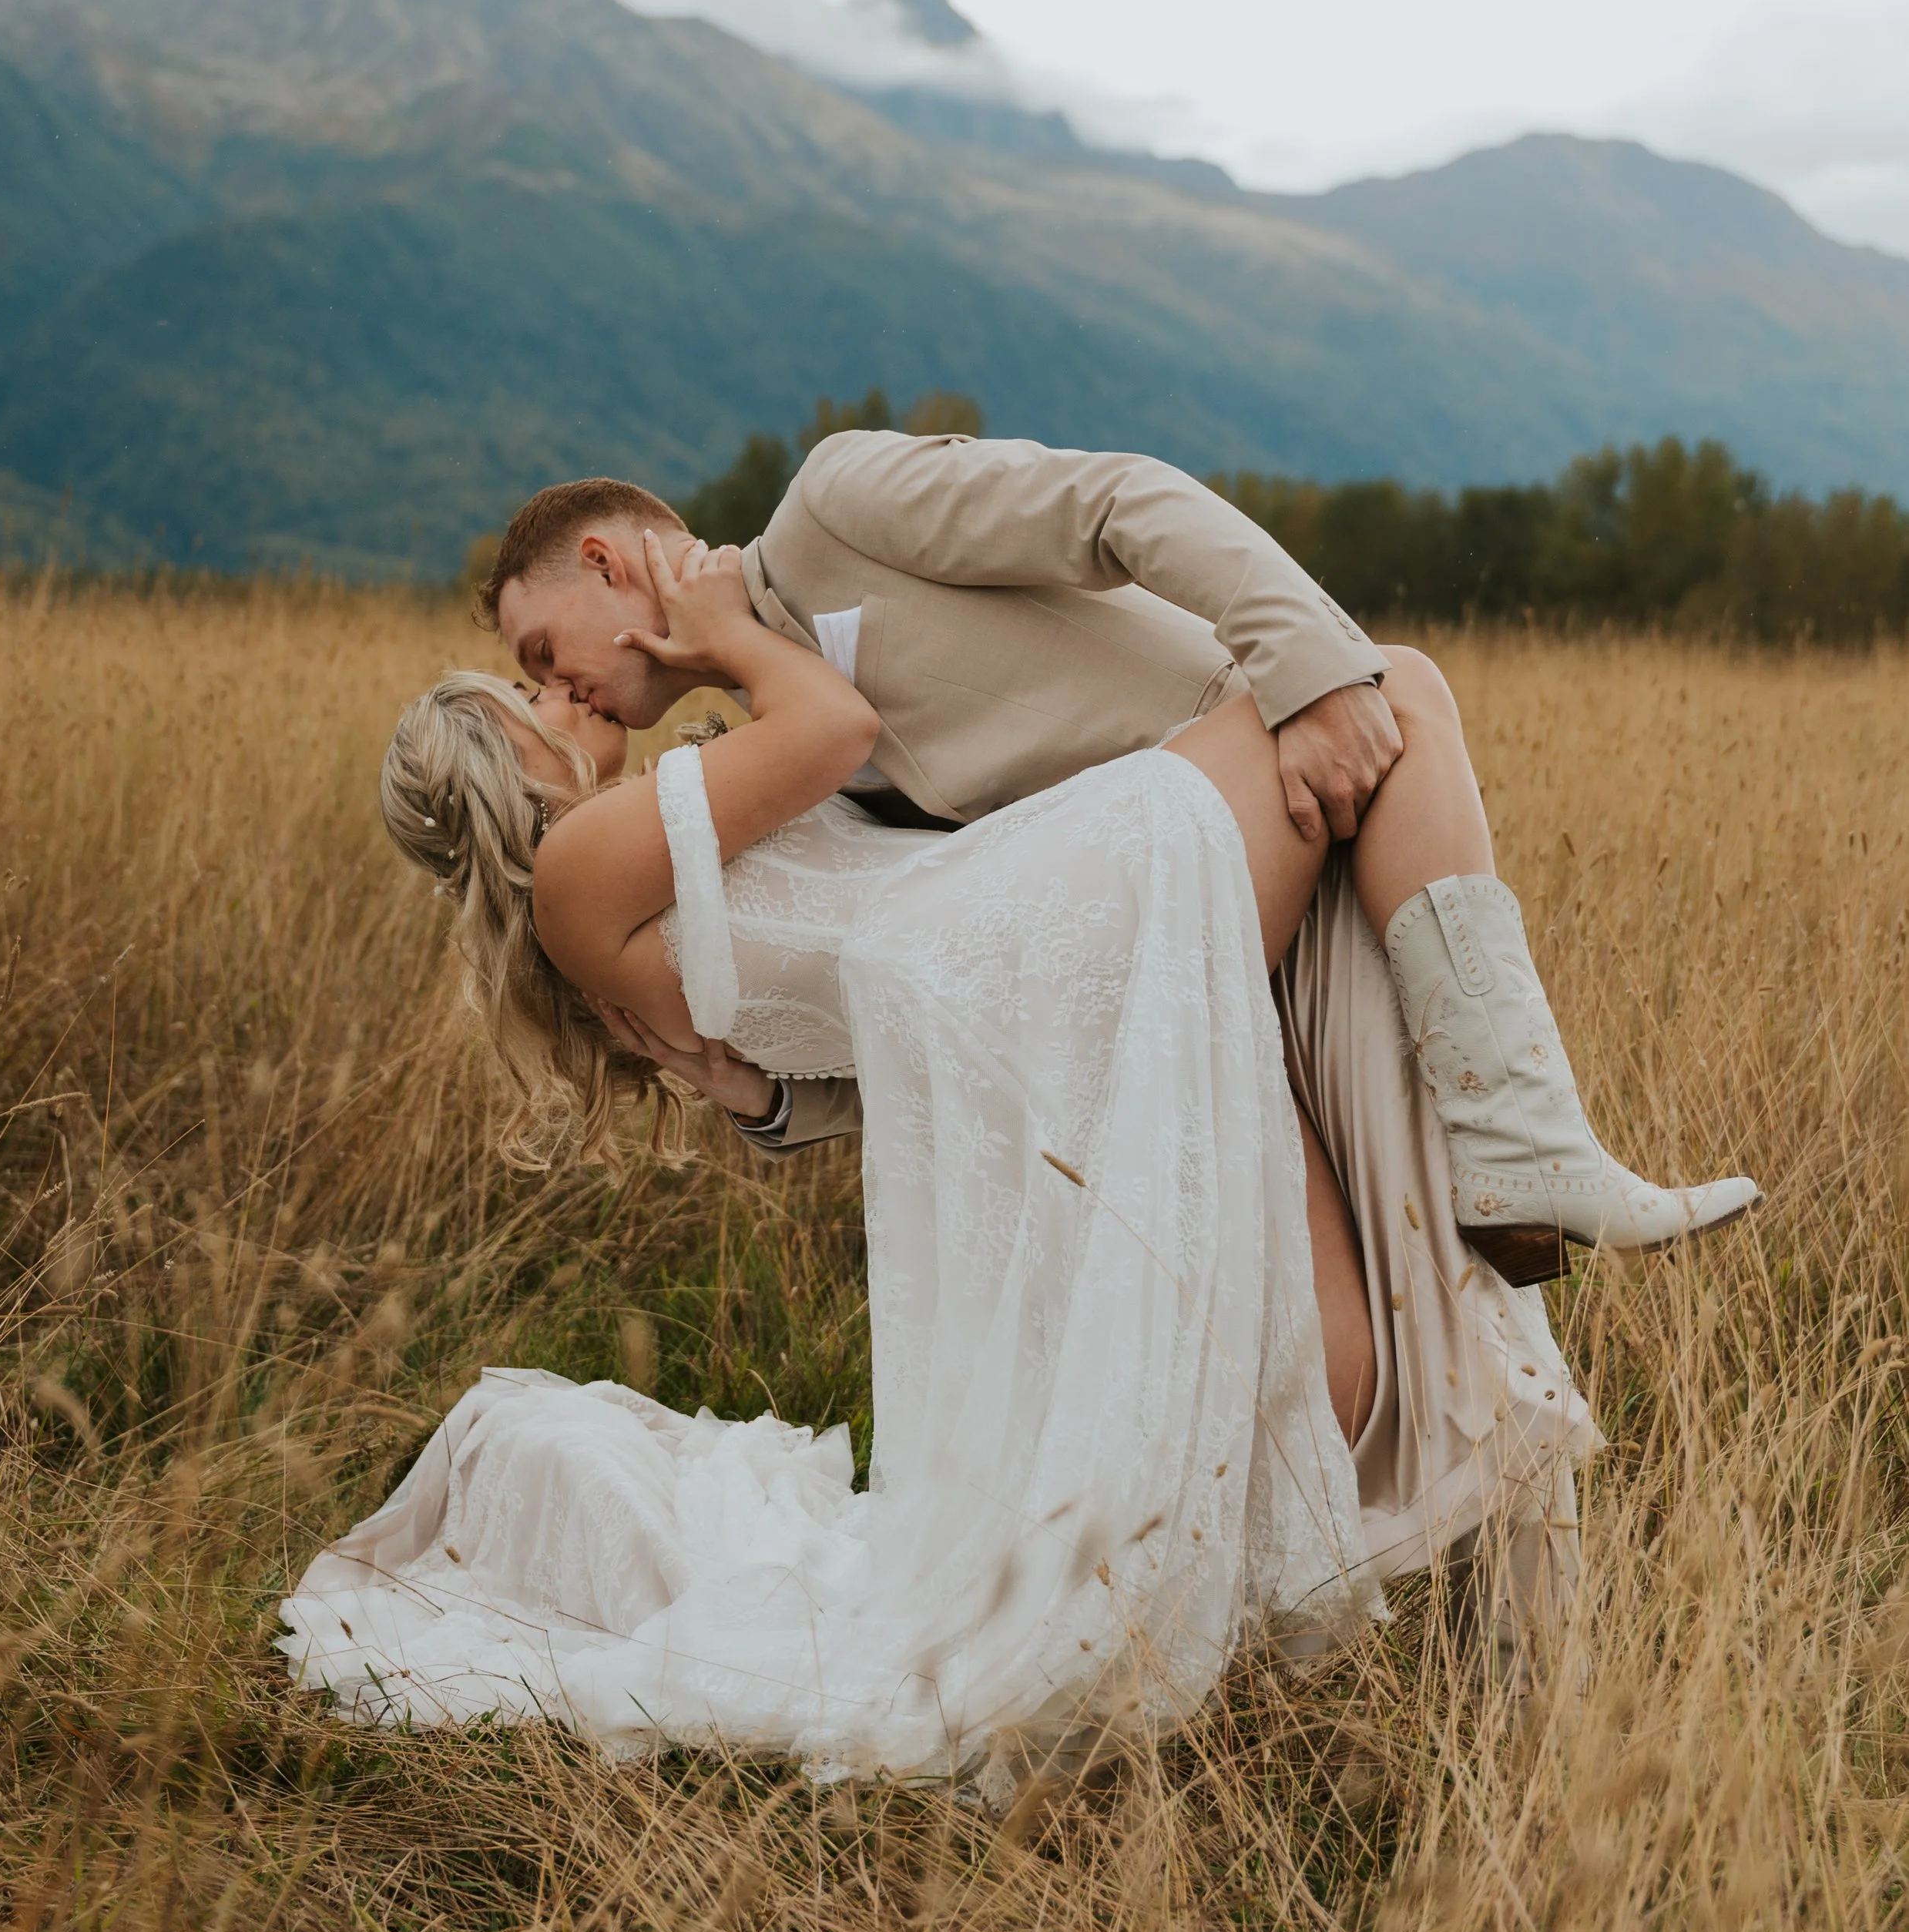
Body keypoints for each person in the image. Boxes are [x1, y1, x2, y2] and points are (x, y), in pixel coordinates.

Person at [280, 538, 1597, 1790]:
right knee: (1392, 688)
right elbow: (836, 731)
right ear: (495, 760)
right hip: (1045, 943)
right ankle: (1521, 1139)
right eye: (520, 692)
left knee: (1342, 1353)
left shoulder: (628, 856)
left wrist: (762, 1093)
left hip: (1022, 1002)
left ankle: (1498, 1645)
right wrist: (731, 629)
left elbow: (824, 1014)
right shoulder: (578, 863)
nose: (551, 689)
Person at [485, 434, 1759, 1283]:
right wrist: (771, 1103)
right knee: (1363, 1305)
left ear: (606, 561)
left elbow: (1119, 502)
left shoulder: (833, 508)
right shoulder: (775, 750)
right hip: (1179, 961)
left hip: (1281, 785)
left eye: (545, 650)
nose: (563, 687)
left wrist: (1306, 672)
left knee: (1398, 688)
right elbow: (939, 987)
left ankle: (1529, 1150)